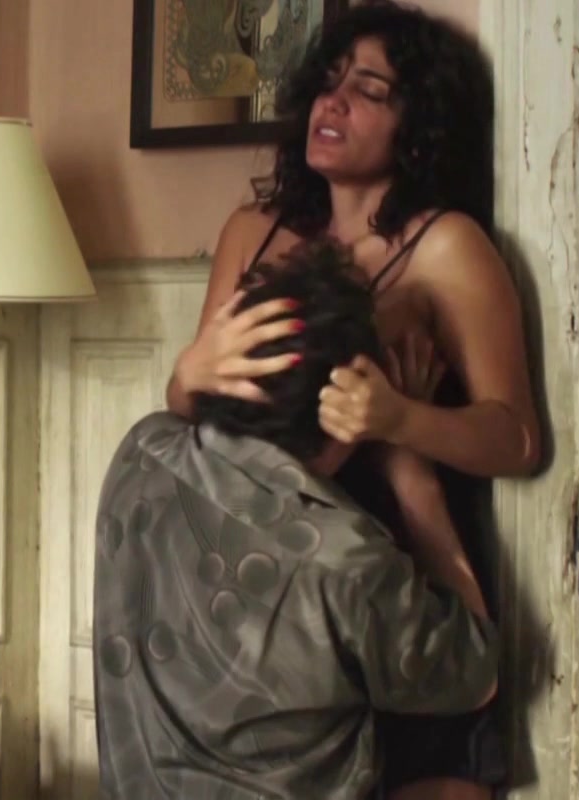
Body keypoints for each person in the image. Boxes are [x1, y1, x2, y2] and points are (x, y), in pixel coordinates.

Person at [164, 2, 538, 795]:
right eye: (328, 82)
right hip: (264, 574)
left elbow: (516, 439)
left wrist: (402, 421)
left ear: (419, 126)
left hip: (402, 555)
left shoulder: (447, 246)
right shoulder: (252, 232)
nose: (332, 103)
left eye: (368, 90)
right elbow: (191, 408)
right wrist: (190, 371)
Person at [94, 245, 496, 799]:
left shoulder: (141, 453)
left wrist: (190, 372)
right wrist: (412, 473)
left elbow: (178, 416)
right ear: (344, 422)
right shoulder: (344, 562)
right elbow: (475, 672)